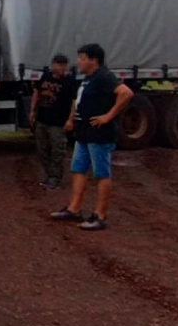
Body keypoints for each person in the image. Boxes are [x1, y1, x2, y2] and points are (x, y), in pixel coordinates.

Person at [51, 43, 133, 231]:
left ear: (93, 61)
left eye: (82, 58)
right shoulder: (89, 78)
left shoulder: (104, 77)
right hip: (84, 133)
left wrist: (108, 116)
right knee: (78, 170)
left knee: (101, 174)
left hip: (99, 134)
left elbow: (126, 93)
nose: (78, 62)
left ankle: (100, 215)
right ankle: (74, 209)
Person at [29, 54, 76, 190]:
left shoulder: (70, 81)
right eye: (59, 65)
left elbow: (74, 101)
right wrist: (32, 111)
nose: (62, 68)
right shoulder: (46, 77)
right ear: (53, 65)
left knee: (57, 151)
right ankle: (49, 175)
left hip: (58, 122)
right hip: (42, 119)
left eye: (64, 65)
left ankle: (55, 178)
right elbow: (36, 93)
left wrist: (70, 120)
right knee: (42, 149)